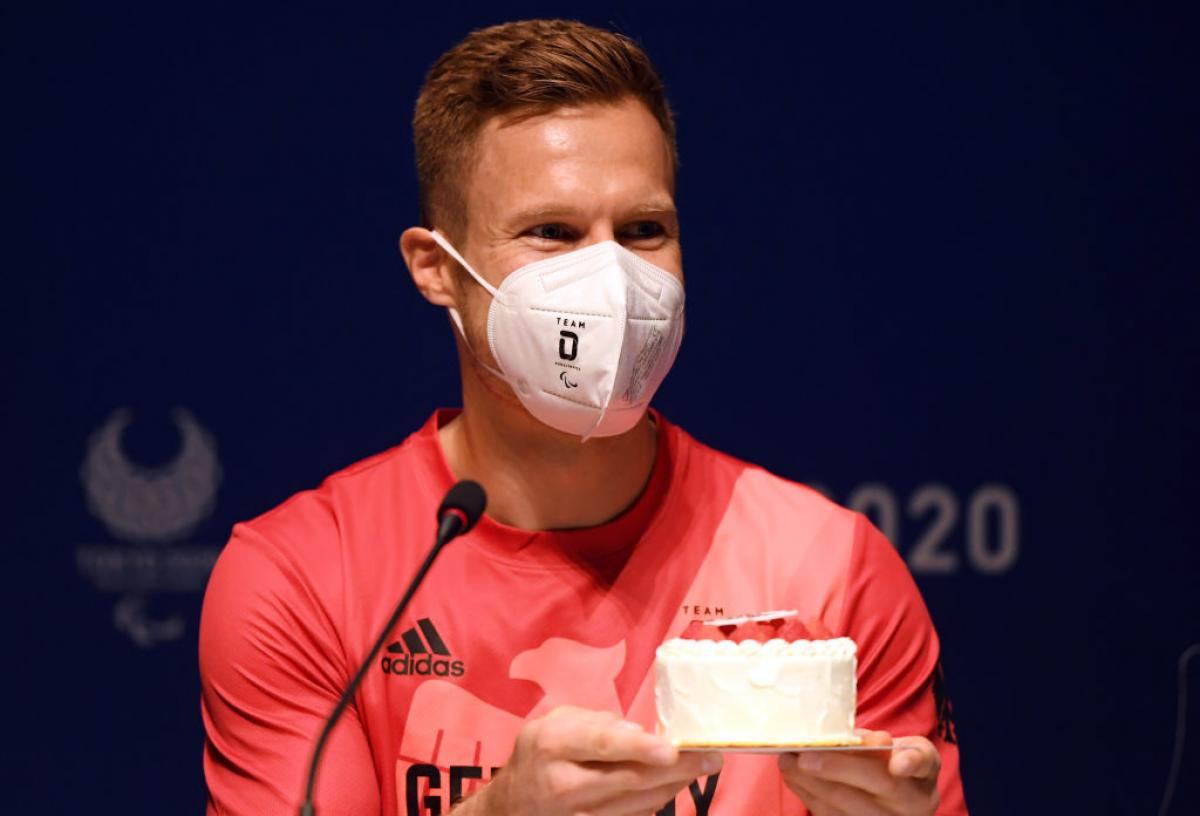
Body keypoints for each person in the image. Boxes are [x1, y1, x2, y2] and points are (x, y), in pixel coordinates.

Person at [200, 18, 968, 816]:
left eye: (643, 231)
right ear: (436, 269)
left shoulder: (833, 570)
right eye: (552, 234)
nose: (611, 277)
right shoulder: (302, 578)